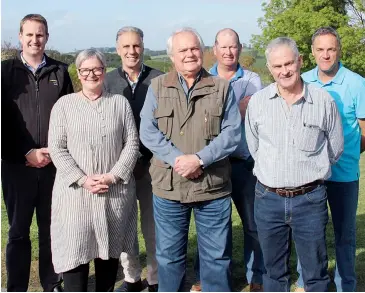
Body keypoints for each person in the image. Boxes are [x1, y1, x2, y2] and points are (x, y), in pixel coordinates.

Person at [140, 27, 241, 292]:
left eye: (194, 48)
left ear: (204, 52)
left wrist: (199, 159)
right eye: (182, 50)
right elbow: (147, 131)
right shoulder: (158, 87)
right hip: (169, 188)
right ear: (172, 56)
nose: (189, 54)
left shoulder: (222, 88)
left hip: (213, 187)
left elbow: (232, 134)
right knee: (169, 257)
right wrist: (178, 160)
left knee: (216, 259)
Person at [245, 37, 344, 292]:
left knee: (315, 275)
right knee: (273, 273)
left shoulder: (323, 101)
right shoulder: (258, 103)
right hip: (268, 199)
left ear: (300, 61)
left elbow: (335, 148)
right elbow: (254, 147)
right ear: (269, 68)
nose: (284, 71)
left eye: (289, 63)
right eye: (277, 66)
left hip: (310, 200)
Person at [47, 49, 140, 292]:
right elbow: (57, 148)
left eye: (97, 69)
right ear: (78, 73)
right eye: (85, 70)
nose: (91, 74)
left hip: (113, 192)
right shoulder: (64, 105)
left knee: (108, 253)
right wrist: (82, 179)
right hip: (76, 195)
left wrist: (113, 175)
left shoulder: (119, 103)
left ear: (104, 71)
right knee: (75, 252)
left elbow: (131, 142)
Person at [1, 14, 73, 292]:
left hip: (54, 166)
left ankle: (52, 283)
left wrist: (55, 152)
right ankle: (16, 287)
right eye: (29, 35)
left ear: (47, 37)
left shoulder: (61, 72)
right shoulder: (4, 73)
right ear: (20, 36)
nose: (35, 40)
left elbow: (70, 119)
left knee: (51, 230)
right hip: (17, 166)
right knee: (18, 232)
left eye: (40, 34)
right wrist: (25, 152)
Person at [190, 28, 265, 293]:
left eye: (233, 47)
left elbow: (260, 114)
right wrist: (238, 108)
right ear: (214, 49)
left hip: (245, 163)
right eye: (223, 47)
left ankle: (256, 276)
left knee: (253, 224)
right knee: (211, 227)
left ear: (240, 48)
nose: (229, 52)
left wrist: (245, 109)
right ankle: (205, 278)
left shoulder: (254, 80)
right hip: (213, 164)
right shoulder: (203, 78)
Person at [295, 26, 365, 292]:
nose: (326, 54)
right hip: (309, 176)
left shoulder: (357, 84)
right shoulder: (302, 81)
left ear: (339, 50)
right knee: (309, 235)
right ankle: (306, 282)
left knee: (345, 236)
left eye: (331, 49)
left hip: (344, 174)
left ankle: (346, 285)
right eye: (320, 49)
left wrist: (342, 155)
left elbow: (363, 132)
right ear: (312, 52)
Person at [104, 26, 163, 292]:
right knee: (125, 226)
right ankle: (132, 277)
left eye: (136, 45)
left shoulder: (160, 79)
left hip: (153, 167)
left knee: (153, 227)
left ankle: (155, 278)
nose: (132, 51)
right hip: (120, 167)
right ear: (118, 50)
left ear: (143, 46)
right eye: (126, 46)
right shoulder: (107, 81)